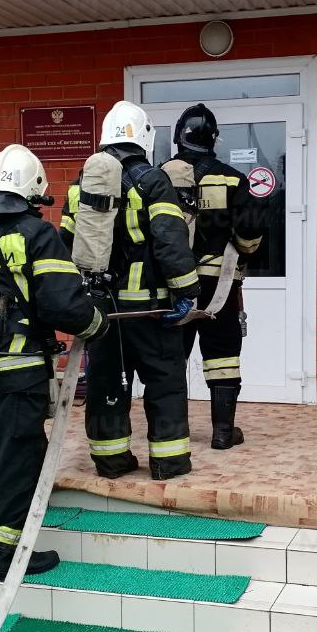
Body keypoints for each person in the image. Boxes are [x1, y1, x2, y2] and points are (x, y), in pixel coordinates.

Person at [0, 144, 108, 580]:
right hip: (21, 364)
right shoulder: (35, 233)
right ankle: (8, 555)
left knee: (6, 445)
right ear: (33, 190)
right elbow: (64, 307)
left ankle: (10, 532)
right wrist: (97, 323)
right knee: (20, 453)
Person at [61, 101, 202, 480]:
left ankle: (111, 462)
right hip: (151, 311)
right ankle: (168, 463)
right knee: (164, 384)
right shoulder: (154, 181)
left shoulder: (82, 184)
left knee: (107, 384)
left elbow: (66, 244)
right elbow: (171, 243)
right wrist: (187, 291)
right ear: (144, 137)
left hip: (103, 311)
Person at [166, 103, 267, 449]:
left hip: (172, 286)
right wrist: (243, 249)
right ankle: (223, 432)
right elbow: (250, 232)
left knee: (171, 358)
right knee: (222, 354)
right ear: (214, 140)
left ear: (179, 136)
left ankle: (174, 430)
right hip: (218, 285)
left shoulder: (158, 178)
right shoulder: (232, 178)